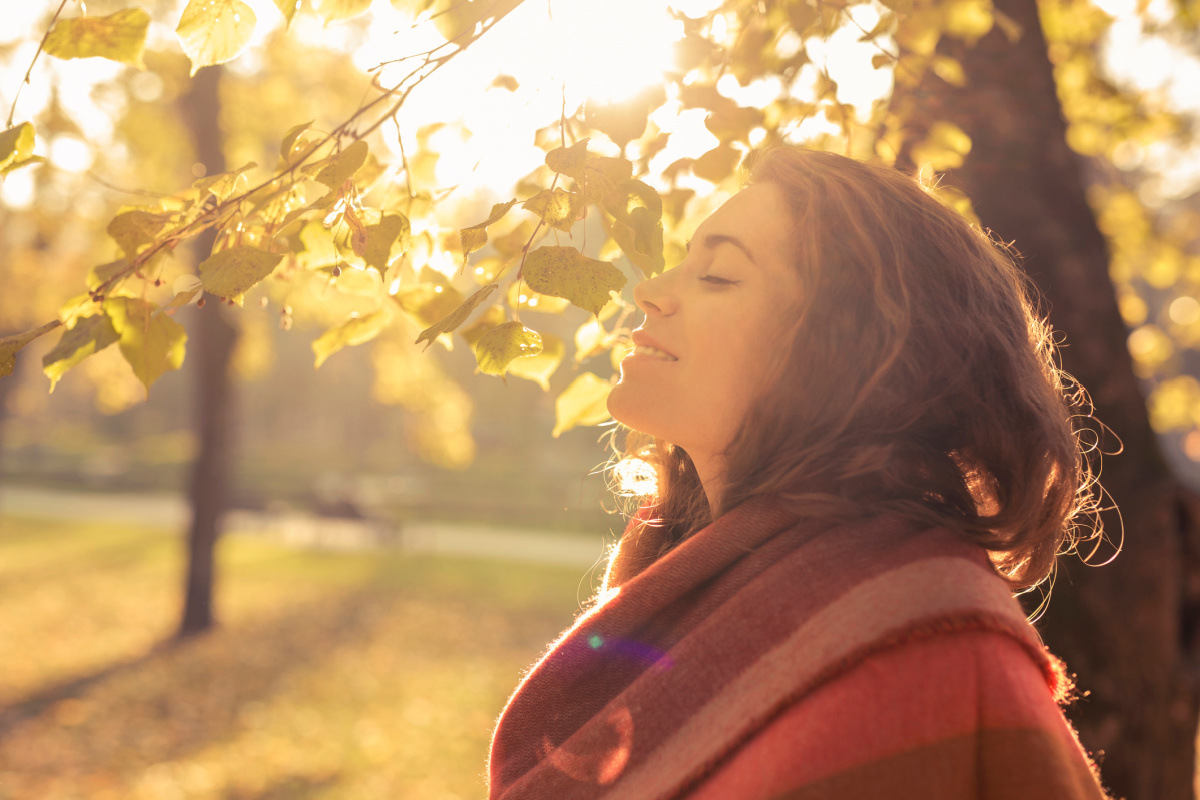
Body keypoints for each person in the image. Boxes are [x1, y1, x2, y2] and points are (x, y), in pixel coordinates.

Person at [487, 148, 1112, 799]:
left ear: (847, 348)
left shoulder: (925, 644)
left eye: (720, 276)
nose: (649, 290)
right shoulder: (676, 585)